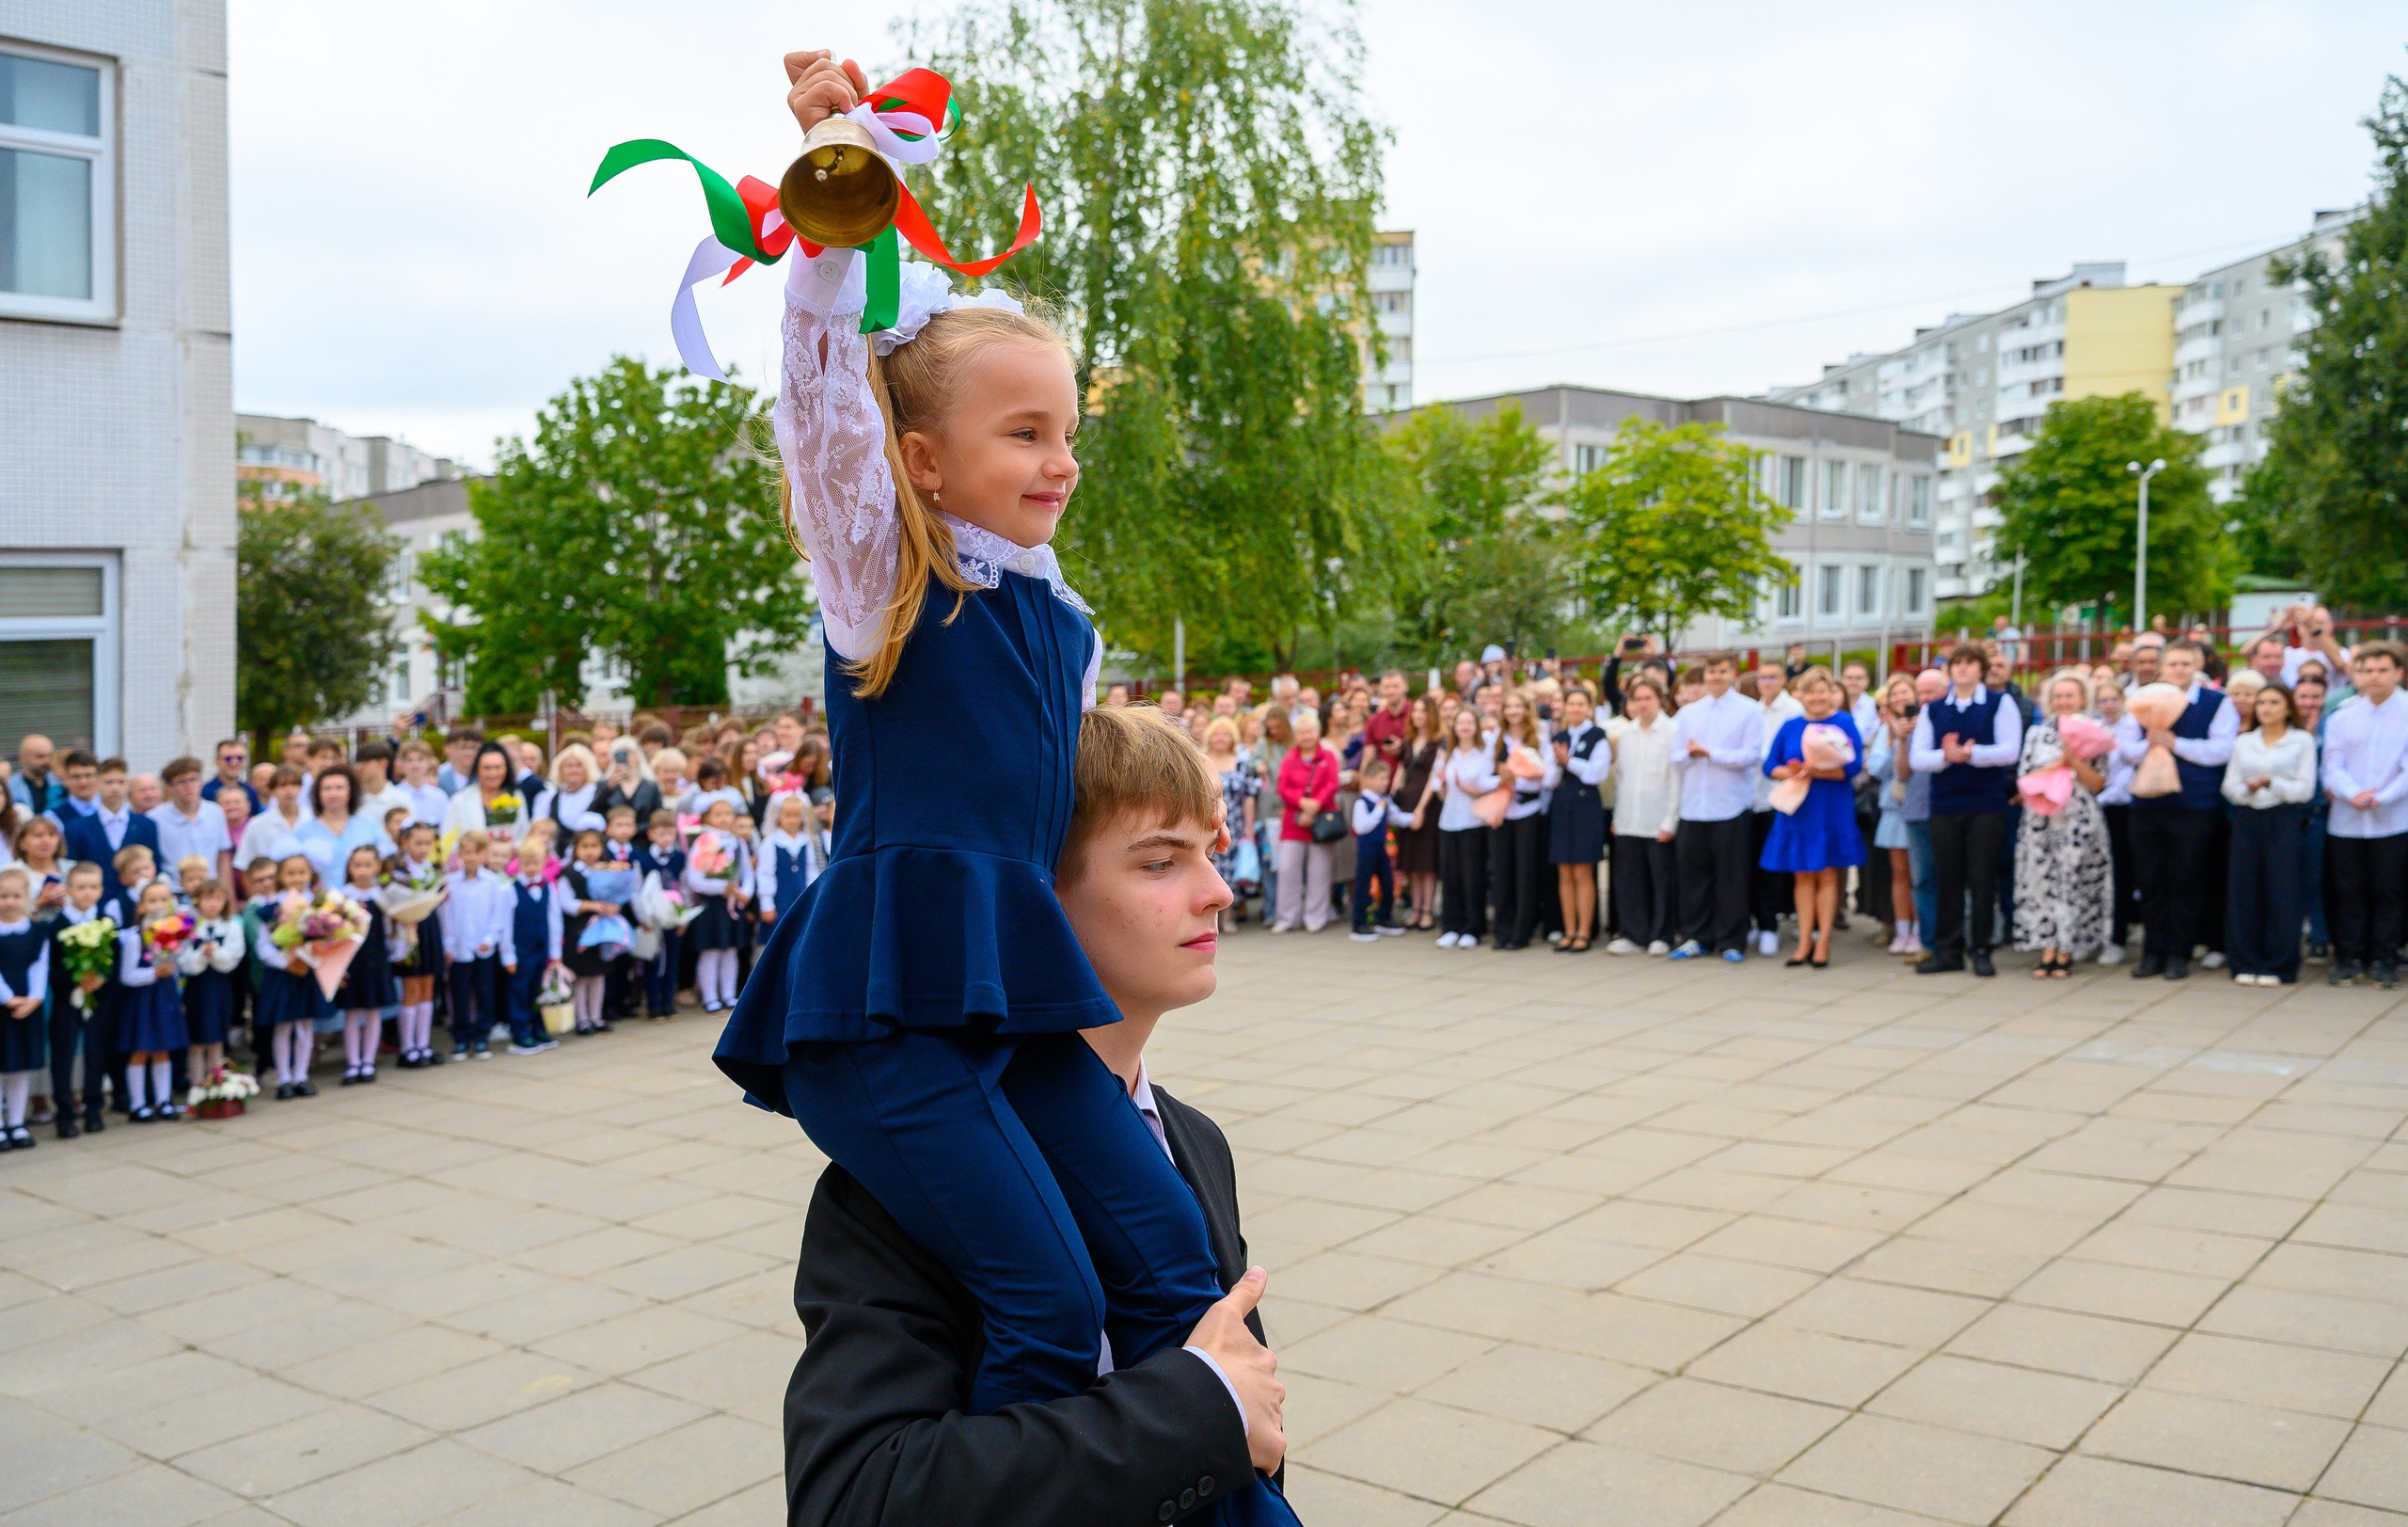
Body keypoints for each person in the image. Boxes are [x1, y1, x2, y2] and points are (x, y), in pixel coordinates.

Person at [782, 703, 1285, 1527]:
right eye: (1161, 862)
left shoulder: (1192, 1138)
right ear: (1029, 900)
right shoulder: (903, 1180)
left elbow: (1252, 1423)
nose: (1218, 893)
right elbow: (857, 1499)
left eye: (1211, 853)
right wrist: (1199, 1410)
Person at [2118, 640, 2238, 980]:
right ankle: (2152, 952)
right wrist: (2149, 744)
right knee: (2150, 880)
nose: (2179, 670)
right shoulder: (2141, 700)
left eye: (2185, 664)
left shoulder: (2216, 702)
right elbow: (2125, 750)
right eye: (2172, 664)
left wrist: (2176, 744)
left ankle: (2178, 953)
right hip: (2147, 803)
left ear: (2197, 665)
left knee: (2186, 880)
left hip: (2193, 805)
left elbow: (2222, 750)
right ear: (2162, 667)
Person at [1913, 644, 2022, 978]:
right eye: (1956, 663)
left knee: (1981, 877)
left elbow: (2010, 750)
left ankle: (1981, 949)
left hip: (1985, 804)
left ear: (1981, 669)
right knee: (1947, 877)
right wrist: (1946, 757)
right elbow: (1918, 757)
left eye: (1969, 663)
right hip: (1945, 804)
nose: (1962, 669)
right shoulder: (1934, 710)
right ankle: (1948, 950)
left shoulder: (1999, 703)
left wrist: (1972, 755)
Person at [1759, 667, 1863, 968]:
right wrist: (1792, 771)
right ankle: (1804, 940)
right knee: (1802, 874)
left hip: (1830, 806)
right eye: (1810, 691)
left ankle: (1823, 941)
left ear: (1831, 694)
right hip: (1799, 807)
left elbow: (1853, 766)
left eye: (1822, 691)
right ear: (1800, 695)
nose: (1817, 697)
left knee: (1827, 873)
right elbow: (1770, 765)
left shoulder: (1843, 722)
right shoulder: (1791, 725)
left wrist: (1818, 770)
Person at [2012, 671, 2115, 976]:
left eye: (2069, 695)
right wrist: (2059, 764)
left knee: (2072, 881)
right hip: (2041, 816)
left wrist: (2075, 760)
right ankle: (2047, 947)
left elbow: (2098, 783)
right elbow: (2024, 778)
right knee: (2042, 882)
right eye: (2057, 696)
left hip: (2077, 818)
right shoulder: (2037, 734)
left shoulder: (2095, 731)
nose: (2063, 701)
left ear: (2082, 699)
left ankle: (2067, 948)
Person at [2321, 643, 2408, 988]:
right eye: (2367, 670)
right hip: (2348, 821)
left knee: (2390, 892)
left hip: (2394, 820)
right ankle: (2349, 958)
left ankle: (2385, 958)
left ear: (2398, 673)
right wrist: (2351, 793)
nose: (2374, 677)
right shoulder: (2343, 716)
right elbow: (2332, 765)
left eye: (2382, 670)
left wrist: (2381, 797)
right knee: (2349, 892)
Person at [2222, 682, 2317, 986]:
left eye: (2274, 702)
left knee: (2282, 890)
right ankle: (2245, 961)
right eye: (2261, 702)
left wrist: (2272, 783)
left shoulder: (2301, 740)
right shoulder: (2244, 742)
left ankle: (2279, 964)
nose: (2266, 708)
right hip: (2248, 817)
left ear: (2288, 708)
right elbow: (2230, 786)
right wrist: (2248, 788)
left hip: (2284, 817)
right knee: (2244, 890)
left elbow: (2305, 789)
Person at [1669, 653, 1761, 962]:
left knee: (1731, 877)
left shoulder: (1749, 711)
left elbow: (1751, 755)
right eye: (1711, 672)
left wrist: (1711, 753)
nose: (1716, 677)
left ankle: (1732, 939)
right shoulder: (1688, 714)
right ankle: (1697, 936)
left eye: (1722, 671)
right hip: (1694, 807)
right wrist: (1691, 754)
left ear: (1732, 673)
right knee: (1693, 877)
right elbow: (1675, 756)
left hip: (1730, 806)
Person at [1603, 675, 1678, 955]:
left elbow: (1675, 780)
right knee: (1630, 879)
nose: (1642, 704)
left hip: (1659, 819)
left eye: (1648, 698)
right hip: (1628, 819)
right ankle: (1633, 934)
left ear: (1660, 700)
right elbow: (1622, 777)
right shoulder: (1627, 734)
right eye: (1636, 699)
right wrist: (1618, 818)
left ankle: (1662, 935)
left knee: (1661, 880)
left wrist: (1670, 820)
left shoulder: (1672, 731)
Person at [112, 879, 188, 1121]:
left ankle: (163, 1100)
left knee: (162, 1050)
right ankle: (138, 1104)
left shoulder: (174, 934)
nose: (159, 905)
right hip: (143, 1000)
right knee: (141, 1050)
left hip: (165, 996)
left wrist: (177, 993)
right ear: (142, 906)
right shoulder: (135, 938)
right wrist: (154, 973)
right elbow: (127, 976)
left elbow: (176, 969)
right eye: (152, 900)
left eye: (164, 900)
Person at [1744, 659, 1806, 957]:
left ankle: (1772, 925)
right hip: (1751, 798)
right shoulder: (1752, 710)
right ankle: (1759, 920)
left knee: (1775, 867)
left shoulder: (1793, 711)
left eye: (1773, 677)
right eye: (1762, 677)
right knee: (1753, 864)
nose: (1767, 682)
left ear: (1783, 679)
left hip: (1781, 798)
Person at [1487, 689, 1552, 951]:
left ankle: (1521, 931)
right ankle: (1502, 929)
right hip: (1502, 811)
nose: (1513, 711)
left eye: (1518, 706)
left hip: (1527, 811)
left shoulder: (1539, 737)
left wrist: (1518, 781)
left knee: (1525, 872)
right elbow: (1485, 773)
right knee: (1501, 871)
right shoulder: (1497, 739)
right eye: (1508, 707)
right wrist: (1500, 780)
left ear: (1527, 709)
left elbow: (1545, 776)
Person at [1546, 686, 1609, 953]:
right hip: (1562, 805)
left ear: (1589, 707)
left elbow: (1596, 774)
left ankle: (1584, 931)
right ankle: (1569, 930)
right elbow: (1550, 779)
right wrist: (1555, 763)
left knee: (1583, 870)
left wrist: (1568, 761)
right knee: (1564, 870)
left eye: (1580, 704)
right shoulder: (1558, 736)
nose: (1575, 709)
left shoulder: (1598, 736)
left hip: (1586, 806)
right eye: (1571, 703)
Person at [1432, 705, 1500, 948]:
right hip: (1449, 821)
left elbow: (1485, 788)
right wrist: (1443, 783)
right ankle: (1451, 926)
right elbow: (1441, 795)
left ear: (1476, 727)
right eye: (1461, 722)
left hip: (1473, 821)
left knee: (1473, 877)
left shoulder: (1483, 753)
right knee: (1450, 876)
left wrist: (1465, 787)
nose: (1465, 727)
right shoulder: (1446, 755)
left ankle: (1473, 928)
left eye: (1470, 722)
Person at [1863, 674, 1923, 957]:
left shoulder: (1925, 723)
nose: (1900, 698)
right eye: (1894, 694)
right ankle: (1902, 930)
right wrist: (1892, 738)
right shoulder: (1884, 730)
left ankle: (1921, 930)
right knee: (1899, 873)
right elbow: (1876, 768)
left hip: (1920, 806)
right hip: (1894, 809)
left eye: (1905, 693)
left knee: (1920, 873)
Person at [439, 830, 508, 1059]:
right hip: (459, 948)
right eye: (466, 852)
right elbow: (446, 916)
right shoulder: (451, 883)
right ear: (459, 854)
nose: (471, 857)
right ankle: (461, 1037)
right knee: (459, 994)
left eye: (476, 852)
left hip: (483, 948)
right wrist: (448, 944)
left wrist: (490, 939)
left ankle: (481, 1036)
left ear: (484, 855)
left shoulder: (491, 881)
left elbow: (497, 914)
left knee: (484, 993)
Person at [333, 845, 399, 1083]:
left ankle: (368, 1061)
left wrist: (395, 949)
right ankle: (353, 1062)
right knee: (351, 1013)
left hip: (376, 960)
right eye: (357, 865)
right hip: (352, 962)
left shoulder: (381, 895)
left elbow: (390, 929)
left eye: (367, 865)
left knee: (373, 1010)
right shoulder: (342, 896)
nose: (362, 870)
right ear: (349, 867)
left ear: (377, 867)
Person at [61, 758, 162, 909]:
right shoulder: (77, 827)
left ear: (128, 785)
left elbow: (156, 865)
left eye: (120, 782)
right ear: (97, 784)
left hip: (137, 906)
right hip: (94, 906)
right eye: (108, 782)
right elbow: (71, 869)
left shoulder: (146, 825)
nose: (115, 788)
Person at [500, 833, 565, 1056]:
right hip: (520, 950)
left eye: (535, 862)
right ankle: (520, 1032)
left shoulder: (549, 887)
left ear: (543, 862)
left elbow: (555, 920)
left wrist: (555, 951)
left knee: (539, 989)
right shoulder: (510, 889)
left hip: (542, 949)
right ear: (518, 862)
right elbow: (505, 925)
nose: (531, 867)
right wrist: (508, 955)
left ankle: (539, 1028)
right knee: (519, 990)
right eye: (526, 863)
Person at [0, 867, 49, 1149]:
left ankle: (17, 1123)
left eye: (15, 896)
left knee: (20, 1067)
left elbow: (39, 965)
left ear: (26, 897)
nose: (9, 901)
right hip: (4, 1004)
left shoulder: (35, 930)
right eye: (3, 896)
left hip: (27, 1005)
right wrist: (6, 998)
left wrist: (34, 998)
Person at [1201, 719, 1260, 932]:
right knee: (1209, 869)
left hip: (1234, 823)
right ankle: (1208, 918)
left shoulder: (1241, 762)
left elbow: (1248, 797)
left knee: (1230, 870)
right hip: (1206, 824)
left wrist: (1249, 827)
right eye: (1217, 734)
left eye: (1225, 734)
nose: (1221, 738)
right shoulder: (1201, 761)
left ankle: (1227, 917)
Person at [1392, 695, 1444, 931]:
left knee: (1426, 861)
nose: (1418, 715)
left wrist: (1421, 809)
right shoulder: (1409, 741)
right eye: (1415, 711)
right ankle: (1415, 908)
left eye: (1423, 711)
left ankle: (1427, 910)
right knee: (1411, 861)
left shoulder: (1438, 742)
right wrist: (1394, 795)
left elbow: (1434, 778)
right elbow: (1401, 770)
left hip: (1427, 805)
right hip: (1406, 803)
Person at [1345, 757, 1411, 942]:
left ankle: (1384, 917)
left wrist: (1414, 819)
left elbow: (1396, 817)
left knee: (1387, 883)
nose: (1386, 782)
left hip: (1381, 849)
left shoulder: (1385, 800)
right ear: (1369, 780)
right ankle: (1359, 923)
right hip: (1366, 850)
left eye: (1387, 778)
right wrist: (1378, 811)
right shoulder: (1362, 803)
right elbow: (1360, 827)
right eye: (1382, 778)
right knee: (1363, 884)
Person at [2292, 673, 2333, 962]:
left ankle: (2320, 936)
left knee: (2314, 878)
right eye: (2303, 697)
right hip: (2289, 812)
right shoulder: (2285, 726)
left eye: (2316, 697)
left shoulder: (2333, 725)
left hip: (2319, 813)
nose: (2309, 703)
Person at [633, 810, 689, 1020]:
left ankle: (668, 1001)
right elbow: (636, 891)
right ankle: (653, 1004)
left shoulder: (680, 858)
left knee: (672, 960)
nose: (666, 838)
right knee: (653, 961)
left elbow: (685, 887)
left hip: (673, 917)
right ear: (651, 834)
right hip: (652, 919)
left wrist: (683, 916)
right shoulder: (642, 860)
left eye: (670, 833)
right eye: (661, 833)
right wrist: (643, 917)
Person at [294, 766, 388, 887]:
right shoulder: (303, 831)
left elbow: (387, 861)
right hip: (321, 897)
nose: (333, 794)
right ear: (318, 793)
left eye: (339, 788)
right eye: (327, 789)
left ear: (351, 792)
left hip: (366, 896)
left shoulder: (369, 824)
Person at [149, 756, 233, 886]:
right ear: (170, 787)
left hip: (210, 889)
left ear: (201, 782)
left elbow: (222, 856)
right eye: (182, 782)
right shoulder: (155, 818)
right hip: (174, 889)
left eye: (193, 780)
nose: (189, 786)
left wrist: (227, 891)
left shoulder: (215, 811)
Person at [442, 741, 530, 847]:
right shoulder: (460, 800)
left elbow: (524, 834)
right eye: (487, 768)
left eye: (498, 767)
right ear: (477, 769)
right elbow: (448, 839)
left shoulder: (516, 796)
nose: (493, 773)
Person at [9, 735, 62, 819]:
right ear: (22, 758)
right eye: (40, 756)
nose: (47, 761)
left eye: (50, 756)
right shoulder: (9, 787)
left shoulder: (61, 783)